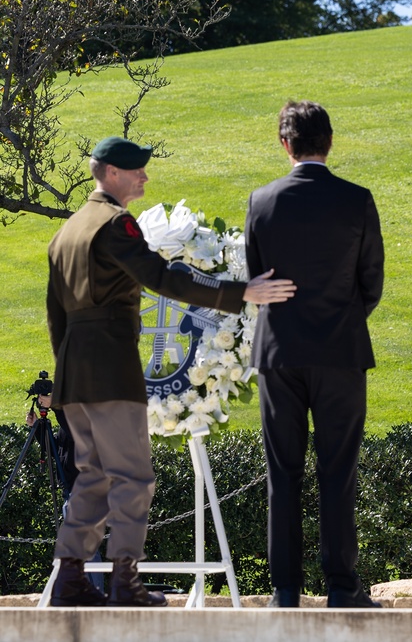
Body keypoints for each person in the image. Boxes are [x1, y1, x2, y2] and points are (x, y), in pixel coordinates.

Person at [46, 136, 296, 607]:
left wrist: (66, 374)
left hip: (75, 372)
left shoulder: (68, 231)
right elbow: (164, 278)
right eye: (137, 169)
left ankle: (69, 579)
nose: (144, 176)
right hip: (110, 369)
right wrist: (241, 291)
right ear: (112, 174)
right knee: (132, 477)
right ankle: (124, 581)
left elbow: (55, 315)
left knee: (92, 476)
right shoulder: (115, 224)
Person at [244, 101, 385, 608]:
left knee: (281, 471)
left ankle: (285, 589)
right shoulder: (357, 200)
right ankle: (341, 587)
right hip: (340, 351)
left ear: (285, 144)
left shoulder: (261, 202)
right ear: (330, 141)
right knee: (337, 469)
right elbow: (372, 283)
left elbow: (256, 281)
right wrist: (342, 319)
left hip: (279, 352)